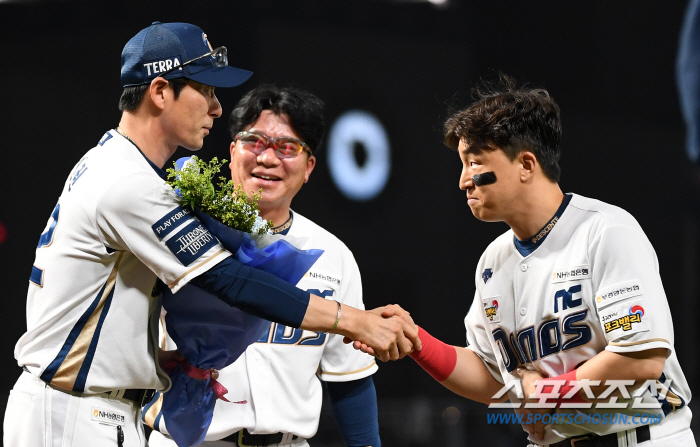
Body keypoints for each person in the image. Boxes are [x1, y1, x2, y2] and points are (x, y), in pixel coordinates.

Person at [4, 22, 417, 447]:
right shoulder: (128, 183)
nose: (216, 108)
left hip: (85, 404)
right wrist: (354, 320)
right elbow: (228, 280)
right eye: (206, 90)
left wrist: (167, 360)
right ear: (161, 91)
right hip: (74, 411)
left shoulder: (116, 164)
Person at [379, 76, 695, 446]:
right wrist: (419, 343)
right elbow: (494, 377)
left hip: (639, 437)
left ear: (526, 164)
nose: (464, 180)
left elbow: (641, 358)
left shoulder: (605, 230)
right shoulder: (493, 261)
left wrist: (544, 394)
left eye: (475, 162)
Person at [147, 85, 381, 447]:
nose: (268, 158)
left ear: (309, 167)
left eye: (287, 147)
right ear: (231, 151)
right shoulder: (180, 231)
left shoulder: (331, 254)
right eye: (254, 141)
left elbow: (349, 379)